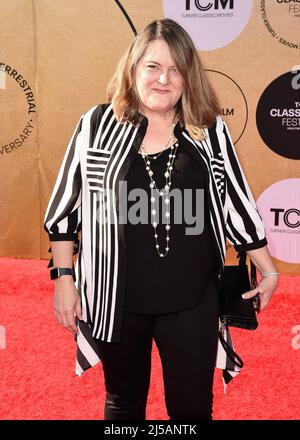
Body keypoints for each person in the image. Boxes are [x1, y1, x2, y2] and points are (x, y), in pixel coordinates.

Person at [44, 18, 279, 420]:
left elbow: (236, 202)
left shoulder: (208, 129)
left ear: (189, 77)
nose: (163, 79)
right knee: (123, 405)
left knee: (191, 411)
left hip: (192, 301)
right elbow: (65, 209)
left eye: (176, 69)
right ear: (133, 68)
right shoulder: (97, 126)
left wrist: (268, 270)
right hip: (115, 300)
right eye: (153, 66)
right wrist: (64, 279)